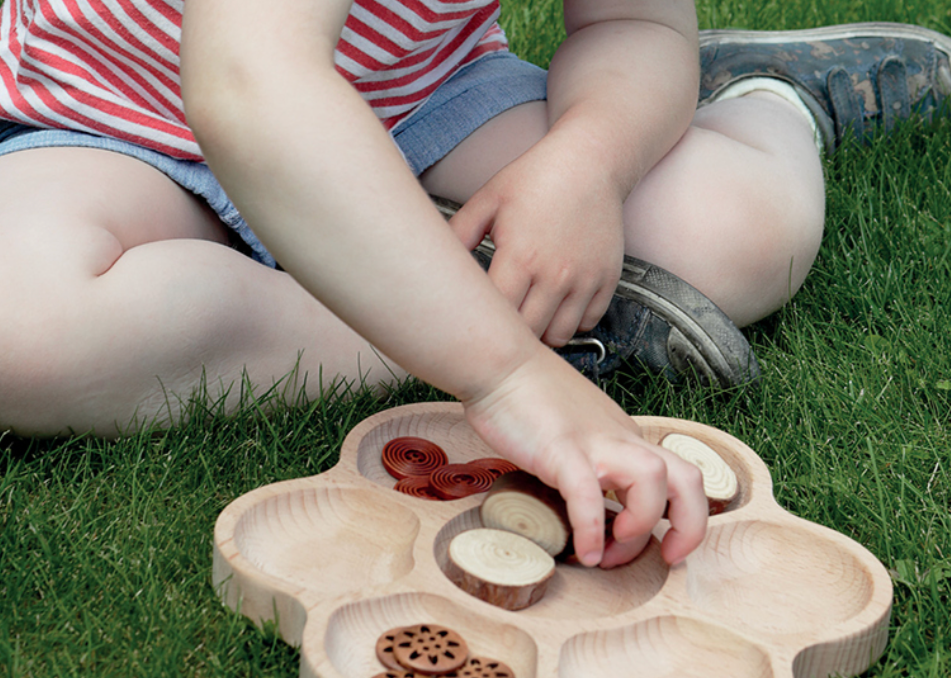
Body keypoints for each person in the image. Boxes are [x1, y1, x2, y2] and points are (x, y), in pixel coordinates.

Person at [0, 2, 947, 570]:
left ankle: (769, 93)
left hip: (421, 99)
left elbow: (631, 22)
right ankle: (463, 306)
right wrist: (505, 377)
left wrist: (587, 164)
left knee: (738, 228)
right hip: (117, 123)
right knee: (25, 323)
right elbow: (250, 85)